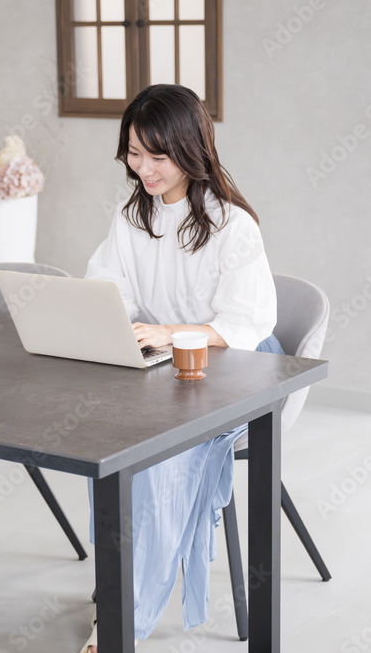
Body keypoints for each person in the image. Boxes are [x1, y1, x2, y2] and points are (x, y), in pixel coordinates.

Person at [80, 84, 284, 653]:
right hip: (168, 366)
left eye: (157, 156)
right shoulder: (131, 215)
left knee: (161, 462)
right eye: (133, 153)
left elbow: (245, 322)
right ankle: (116, 589)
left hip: (237, 366)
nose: (143, 168)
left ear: (190, 149)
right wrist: (117, 326)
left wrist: (169, 333)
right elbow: (108, 291)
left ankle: (124, 626)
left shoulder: (231, 224)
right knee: (102, 443)